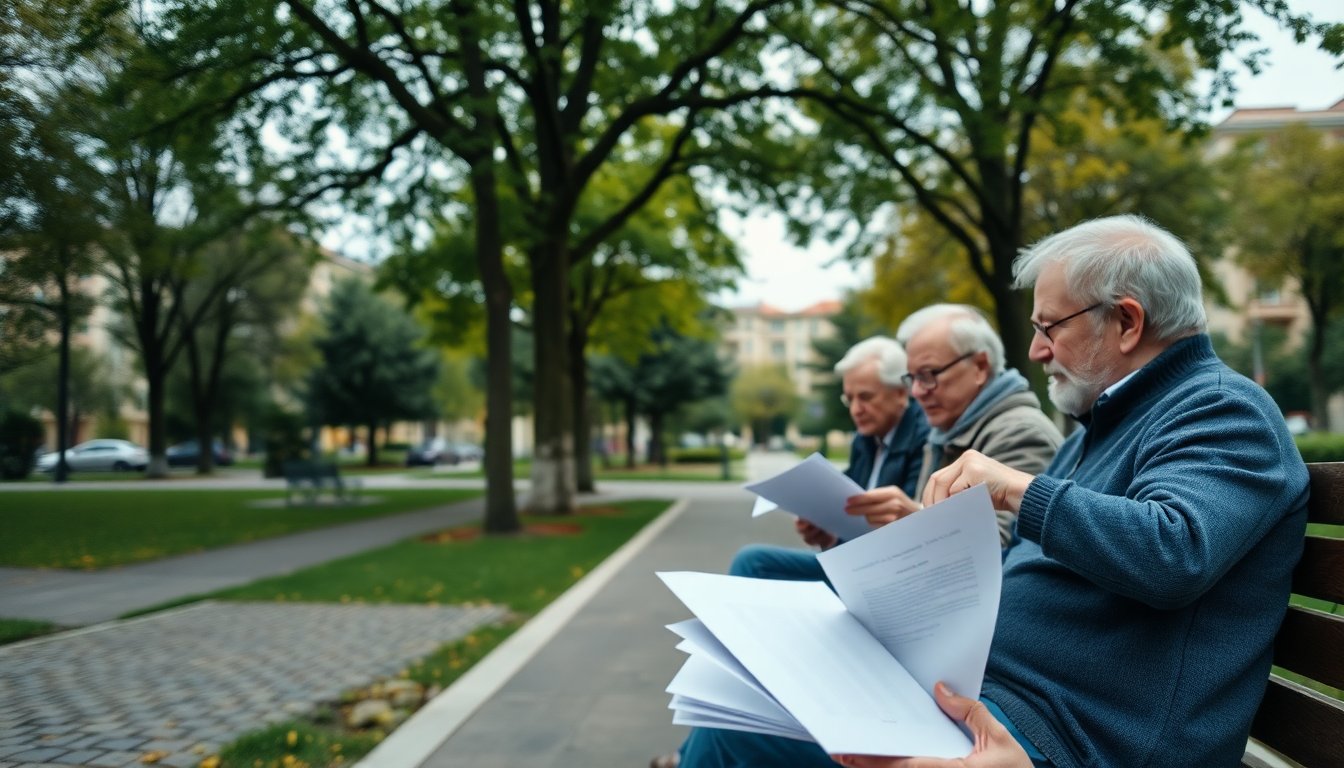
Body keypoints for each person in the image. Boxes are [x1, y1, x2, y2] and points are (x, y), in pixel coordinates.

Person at [666, 215, 1309, 768]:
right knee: (740, 684)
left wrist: (1016, 489)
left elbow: (1175, 552)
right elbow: (1022, 571)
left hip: (1063, 742)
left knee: (730, 733)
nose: (1034, 349)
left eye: (1049, 327)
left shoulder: (1223, 411)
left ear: (1127, 322)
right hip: (993, 704)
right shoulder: (1101, 427)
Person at [729, 336, 929, 583]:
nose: (855, 409)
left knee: (752, 563)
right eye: (849, 398)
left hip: (889, 573)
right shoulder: (864, 440)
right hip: (854, 563)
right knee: (751, 561)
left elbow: (910, 530)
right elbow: (851, 520)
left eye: (865, 397)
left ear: (900, 393)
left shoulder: (926, 440)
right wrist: (828, 536)